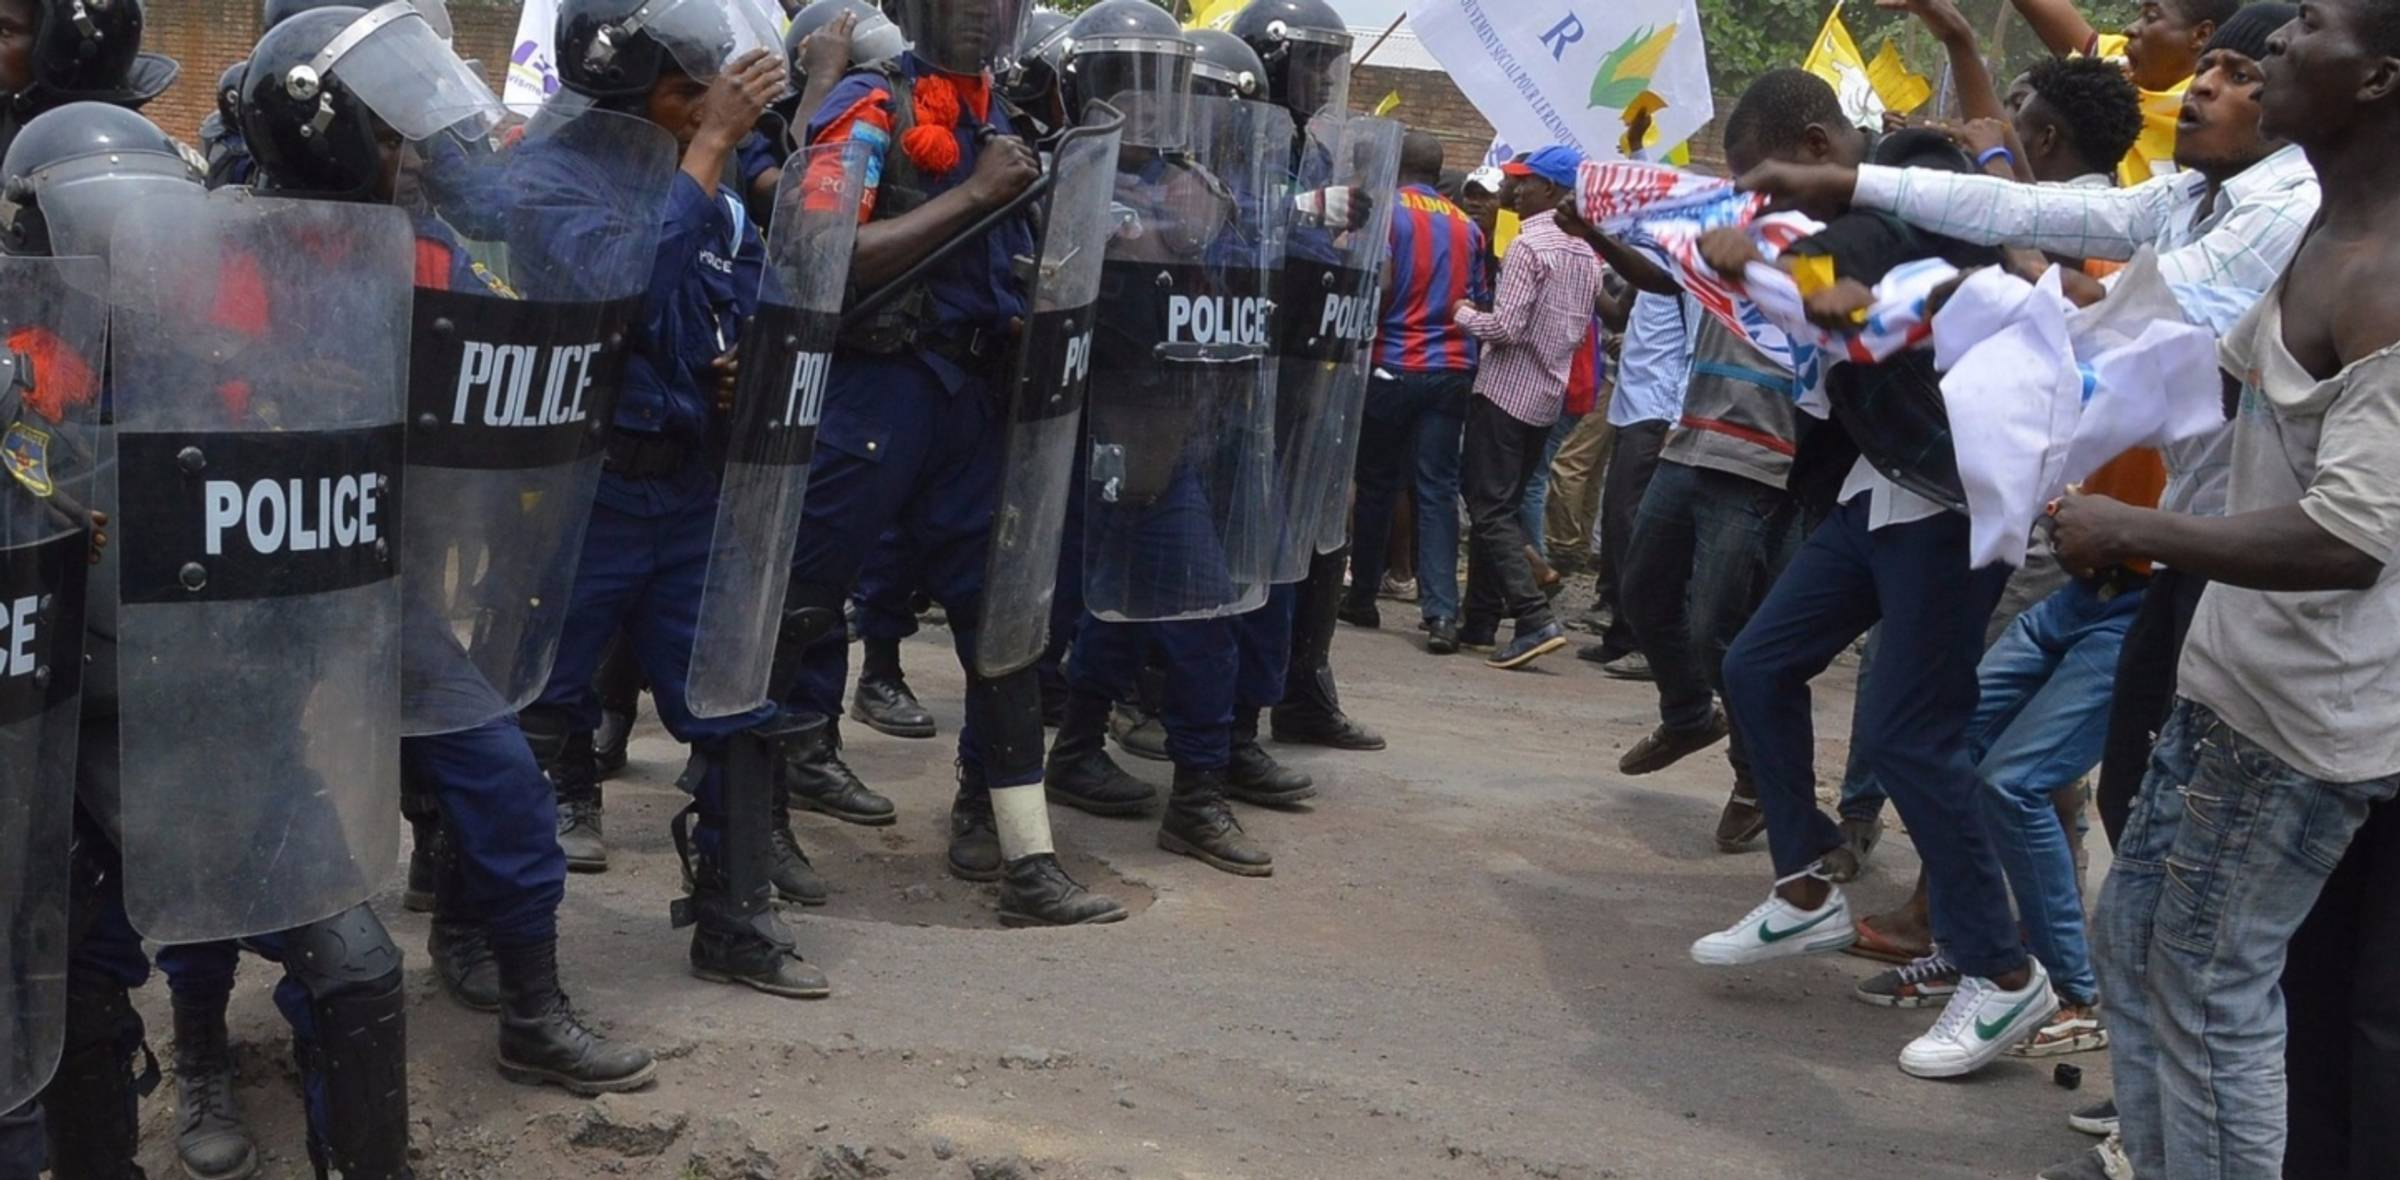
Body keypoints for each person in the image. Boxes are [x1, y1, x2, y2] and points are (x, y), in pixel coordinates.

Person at [2044, 2, 2400, 1173]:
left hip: (2301, 720)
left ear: (2380, 78)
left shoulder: (2386, 276)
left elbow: (2352, 536)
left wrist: (2134, 523)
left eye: (2309, 27)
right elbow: (2197, 355)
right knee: (2140, 940)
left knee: (2208, 985)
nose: (2281, 44)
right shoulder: (2317, 234)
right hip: (2230, 677)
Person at [775, 0, 1125, 927]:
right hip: (878, 390)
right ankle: (747, 824)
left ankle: (1017, 844)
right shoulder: (870, 103)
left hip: (976, 400)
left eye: (998, 2)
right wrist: (971, 196)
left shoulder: (1006, 117)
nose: (981, 17)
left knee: (1002, 620)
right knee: (801, 604)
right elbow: (821, 253)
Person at [517, 0, 836, 997]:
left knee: (733, 700)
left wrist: (733, 361)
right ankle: (483, 928)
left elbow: (718, 289)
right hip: (577, 494)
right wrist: (706, 151)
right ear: (635, 89)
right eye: (691, 90)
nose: (715, 108)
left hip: (684, 490)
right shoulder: (543, 178)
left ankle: (734, 917)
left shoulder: (711, 178)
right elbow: (620, 285)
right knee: (524, 710)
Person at [1587, 71, 1863, 860]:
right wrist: (1595, 235)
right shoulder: (1729, 222)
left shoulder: (1823, 249)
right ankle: (1686, 717)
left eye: (1764, 178)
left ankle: (1757, 783)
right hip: (1691, 435)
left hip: (1760, 462)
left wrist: (1761, 272)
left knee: (1720, 627)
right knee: (1642, 591)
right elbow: (1658, 280)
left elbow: (1836, 320)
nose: (1757, 193)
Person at [1232, 0, 1390, 756]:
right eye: (1312, 60)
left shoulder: (1315, 145)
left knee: (1320, 533)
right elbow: (1213, 217)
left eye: (1334, 62)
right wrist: (1300, 206)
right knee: (1238, 535)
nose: (1324, 78)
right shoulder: (1230, 127)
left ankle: (1303, 690)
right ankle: (1186, 705)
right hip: (1239, 367)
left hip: (1312, 361)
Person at [1452, 144, 1599, 671]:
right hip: (1546, 395)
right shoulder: (1586, 253)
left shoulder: (1528, 247)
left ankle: (1533, 617)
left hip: (1506, 391)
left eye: (1526, 182)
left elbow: (1507, 327)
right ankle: (1480, 622)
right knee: (1506, 505)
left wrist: (1465, 313)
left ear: (1553, 192)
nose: (1514, 190)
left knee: (1488, 509)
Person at [1341, 129, 1485, 653]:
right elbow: (1477, 298)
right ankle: (1442, 614)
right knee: (1437, 490)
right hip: (1452, 370)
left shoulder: (1385, 212)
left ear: (1396, 164)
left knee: (1376, 481)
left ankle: (1362, 598)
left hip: (1392, 365)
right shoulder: (1469, 226)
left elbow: (1377, 285)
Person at [2007, 0, 2238, 182]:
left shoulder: (2221, 114)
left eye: (2150, 17)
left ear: (2201, 35)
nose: (2130, 29)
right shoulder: (2118, 64)